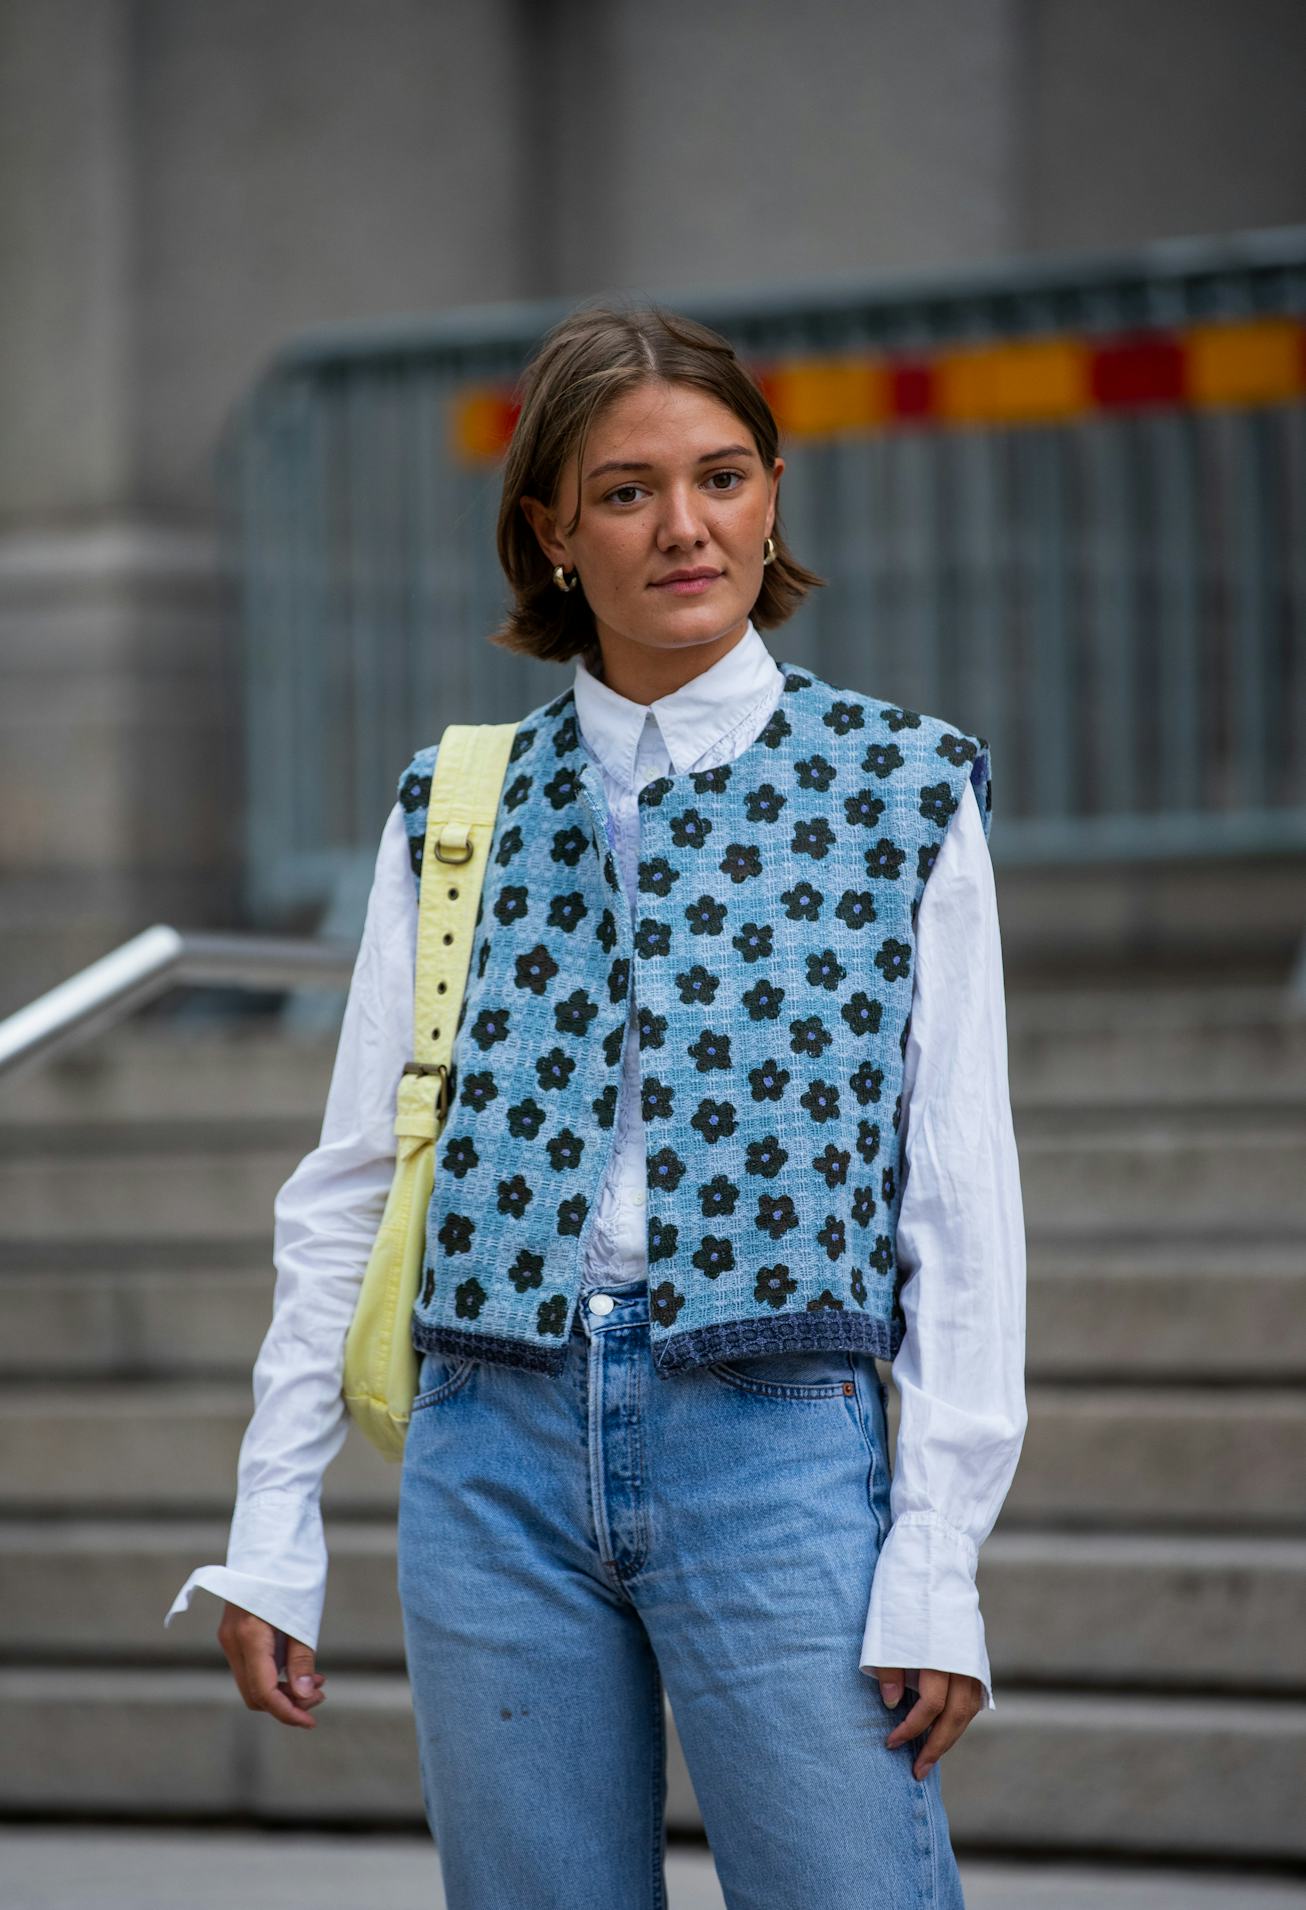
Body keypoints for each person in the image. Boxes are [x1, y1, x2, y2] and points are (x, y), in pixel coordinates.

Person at [166, 301, 1027, 1908]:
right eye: (625, 492)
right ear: (550, 532)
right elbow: (353, 1174)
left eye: (719, 477)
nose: (682, 527)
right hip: (486, 1447)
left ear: (773, 492)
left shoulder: (901, 787)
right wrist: (271, 1515)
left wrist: (937, 1550)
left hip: (775, 1441)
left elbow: (956, 1200)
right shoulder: (455, 803)